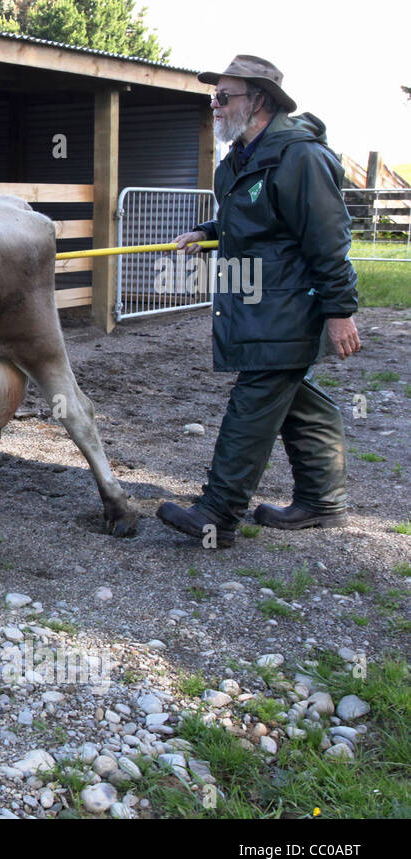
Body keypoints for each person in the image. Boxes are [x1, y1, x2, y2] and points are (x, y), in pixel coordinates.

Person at [157, 54, 361, 548]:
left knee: (253, 404)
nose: (216, 105)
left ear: (260, 101)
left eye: (224, 96)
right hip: (256, 302)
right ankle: (322, 501)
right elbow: (250, 220)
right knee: (299, 402)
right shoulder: (238, 162)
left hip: (288, 305)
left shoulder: (300, 159)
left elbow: (328, 240)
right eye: (214, 97)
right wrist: (206, 230)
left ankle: (218, 514)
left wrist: (339, 311)